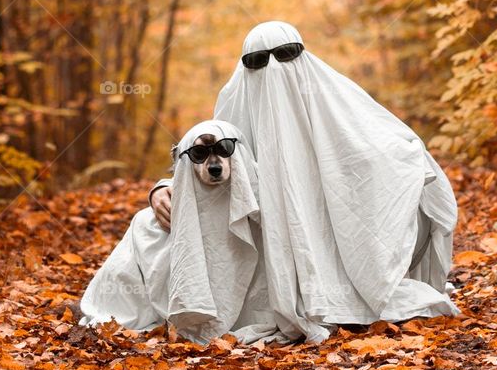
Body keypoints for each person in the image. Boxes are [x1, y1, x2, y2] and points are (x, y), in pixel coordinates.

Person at [150, 22, 459, 342]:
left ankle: (335, 291)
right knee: (148, 230)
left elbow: (379, 150)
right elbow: (205, 152)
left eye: (284, 55)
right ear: (244, 67)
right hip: (260, 257)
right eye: (257, 61)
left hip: (338, 254)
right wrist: (161, 187)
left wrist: (404, 160)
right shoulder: (235, 106)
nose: (271, 69)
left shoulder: (332, 103)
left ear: (302, 56)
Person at [82, 119, 282, 343]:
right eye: (199, 153)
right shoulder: (151, 221)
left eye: (223, 149)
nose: (214, 163)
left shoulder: (267, 202)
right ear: (185, 159)